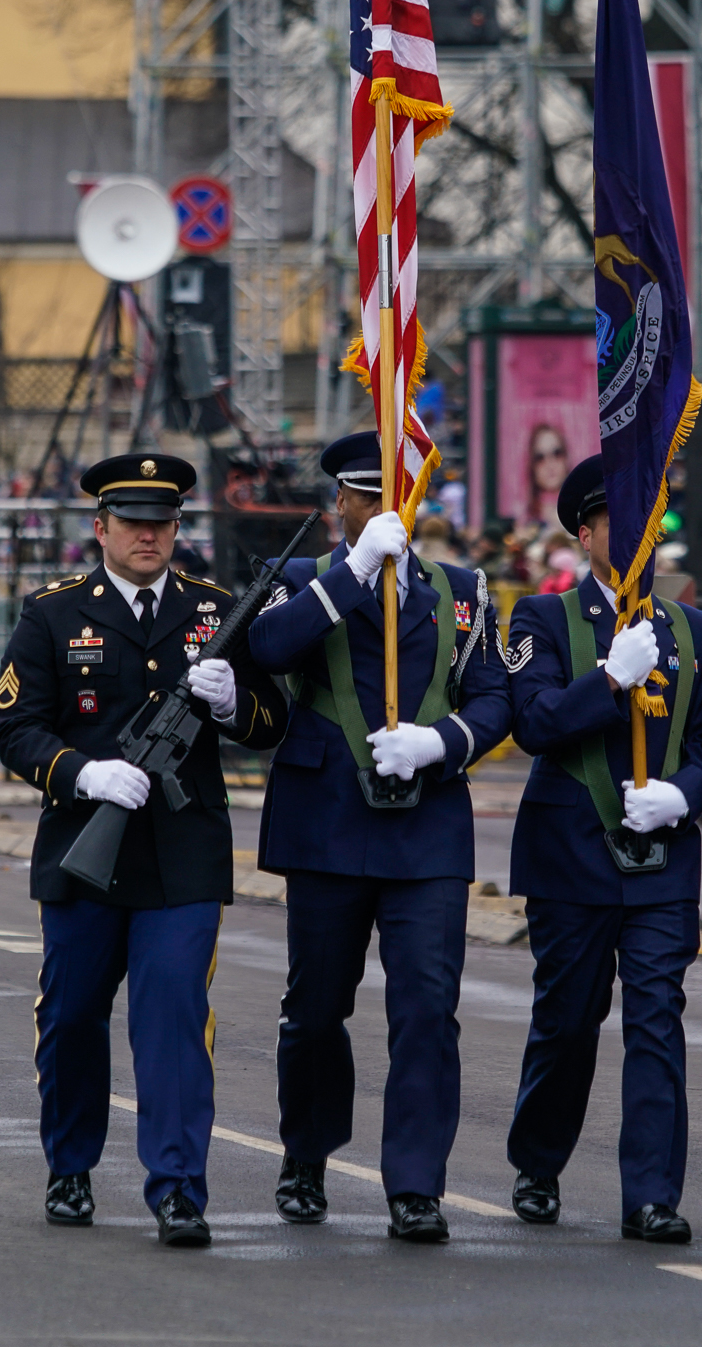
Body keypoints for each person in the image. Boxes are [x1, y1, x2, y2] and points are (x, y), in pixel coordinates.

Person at [0, 453, 289, 1248]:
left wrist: (235, 706)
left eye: (162, 524)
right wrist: (85, 774)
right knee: (73, 1018)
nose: (148, 536)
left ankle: (180, 1189)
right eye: (132, 523)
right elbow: (16, 731)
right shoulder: (52, 614)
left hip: (184, 854)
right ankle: (70, 1167)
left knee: (174, 1020)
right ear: (101, 528)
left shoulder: (217, 609)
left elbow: (271, 723)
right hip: (85, 849)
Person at [248, 431, 513, 1243]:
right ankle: (306, 1155)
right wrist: (355, 574)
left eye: (398, 495)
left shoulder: (462, 590)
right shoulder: (299, 579)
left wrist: (445, 743)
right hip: (325, 821)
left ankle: (415, 1184)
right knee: (316, 1009)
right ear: (341, 505)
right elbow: (266, 650)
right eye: (368, 497)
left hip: (426, 826)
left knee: (428, 1009)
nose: (384, 510)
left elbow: (496, 698)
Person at [500, 456, 702, 1242]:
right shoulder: (541, 620)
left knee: (658, 1018)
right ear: (584, 533)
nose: (633, 540)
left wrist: (684, 795)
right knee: (569, 1017)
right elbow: (537, 724)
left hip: (662, 859)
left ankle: (652, 1195)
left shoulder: (694, 630)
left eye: (646, 527)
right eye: (616, 526)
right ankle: (538, 1161)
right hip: (572, 855)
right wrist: (608, 679)